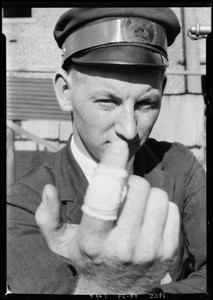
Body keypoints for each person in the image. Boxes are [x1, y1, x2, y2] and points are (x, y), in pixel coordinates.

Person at [7, 7, 206, 295]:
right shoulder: (23, 205)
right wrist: (109, 285)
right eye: (107, 101)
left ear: (162, 89)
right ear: (65, 92)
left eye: (146, 104)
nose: (128, 129)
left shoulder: (179, 165)